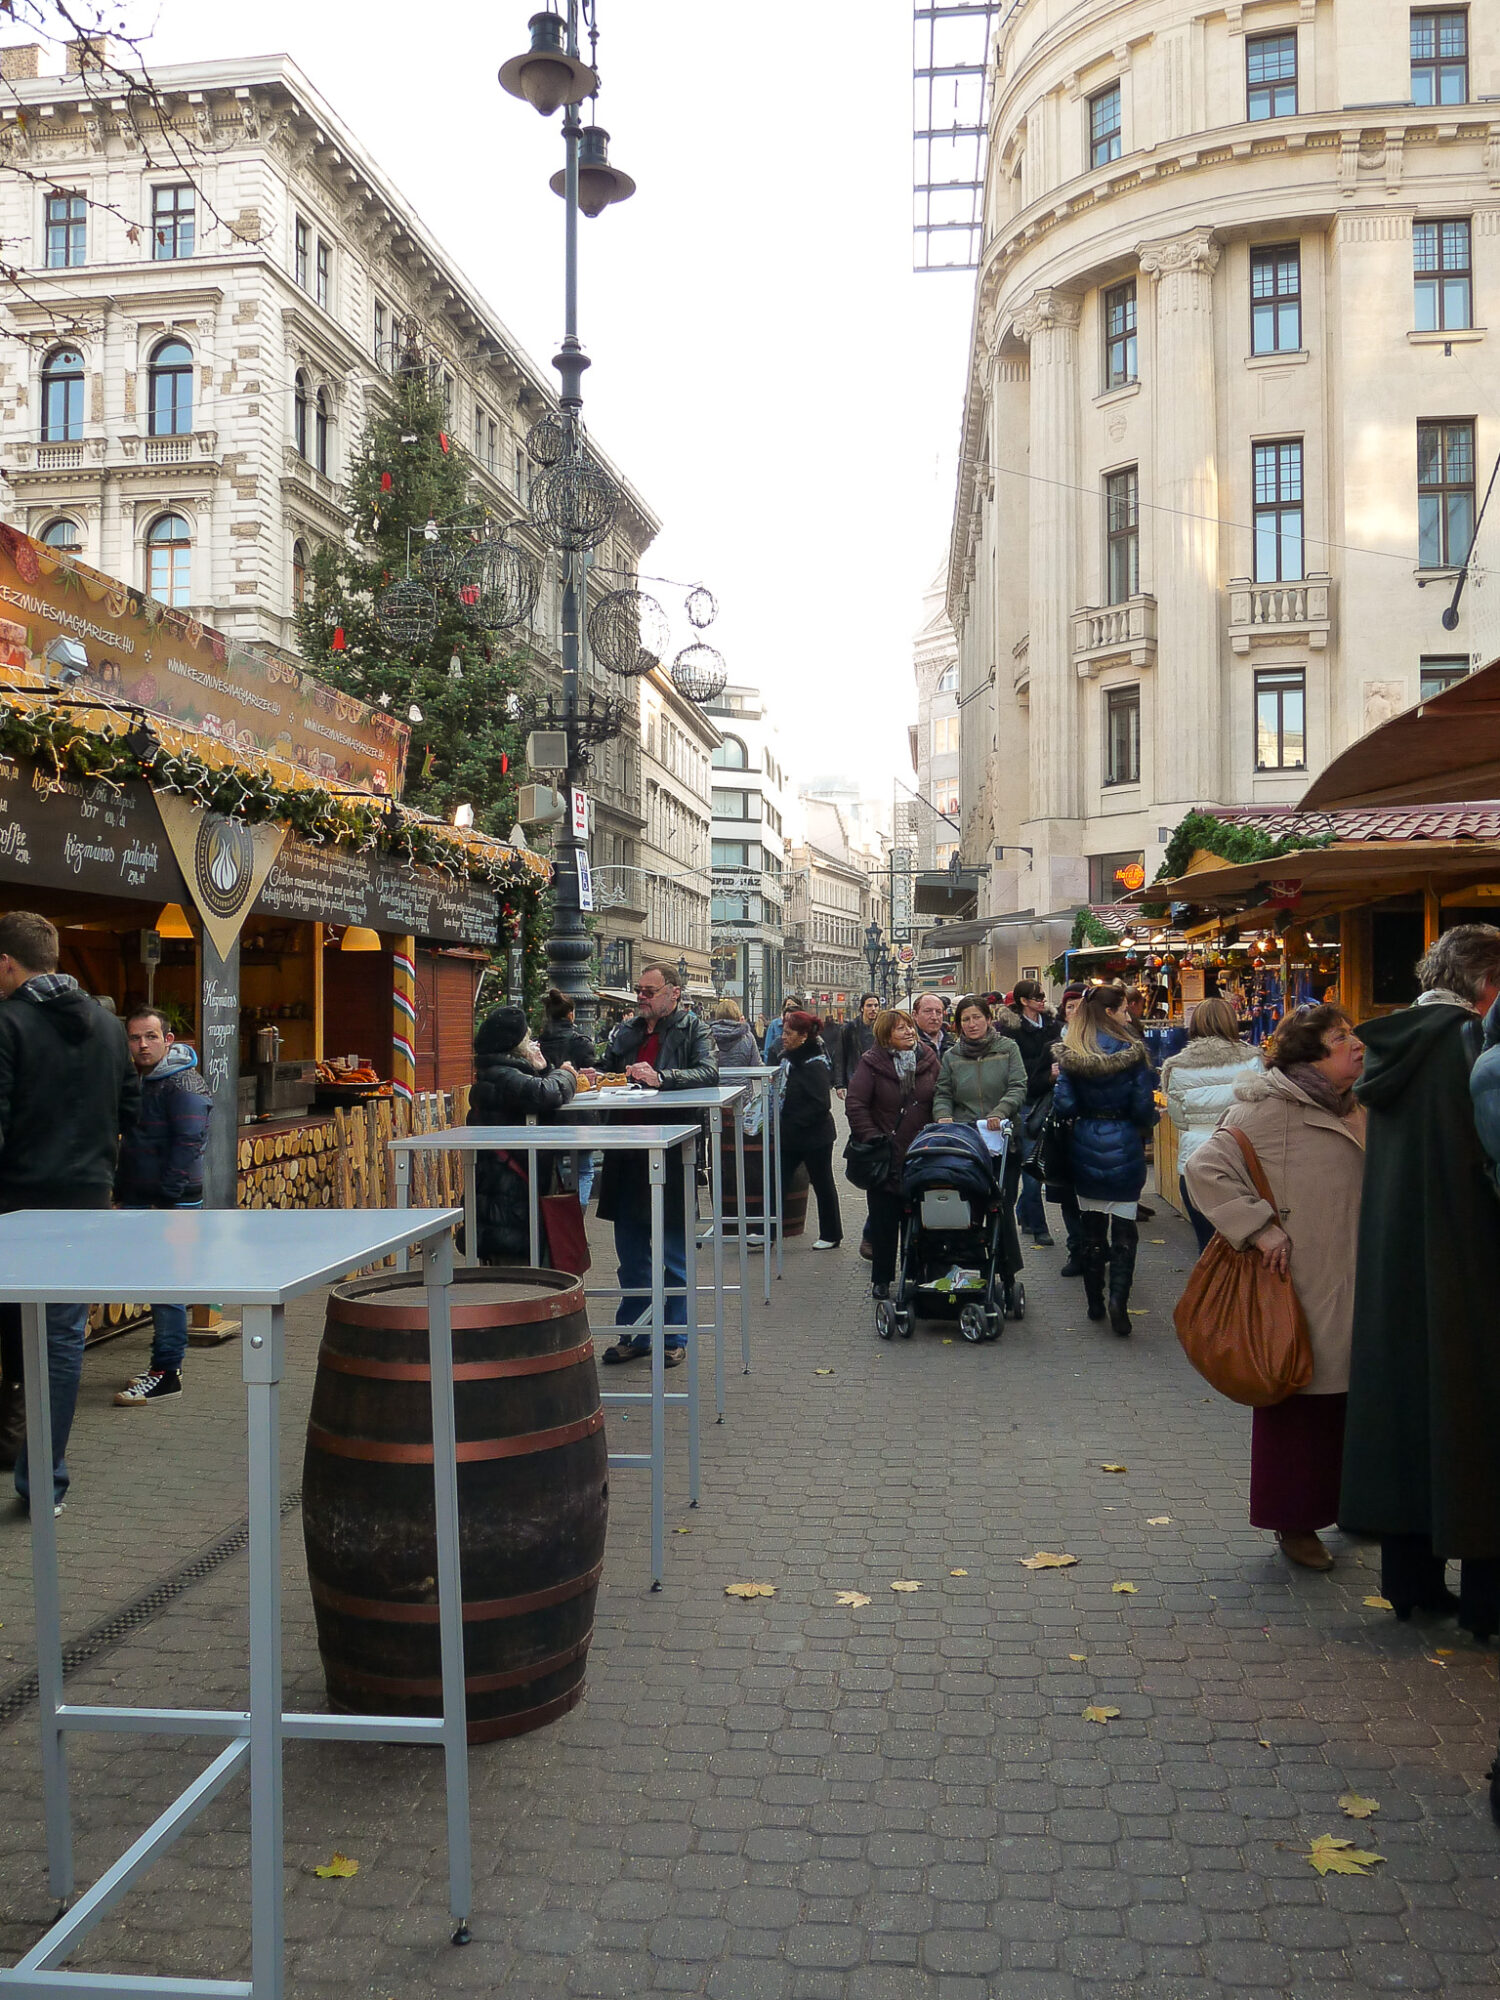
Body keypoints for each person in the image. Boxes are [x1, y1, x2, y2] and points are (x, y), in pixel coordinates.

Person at [1341, 925, 1500, 1639]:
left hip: (1395, 1259)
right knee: (1475, 1421)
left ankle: (1410, 1584)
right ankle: (1488, 1602)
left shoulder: (1397, 1042)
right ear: (1487, 983)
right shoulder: (1469, 1043)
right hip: (1469, 1259)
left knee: (1407, 1415)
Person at [1185, 1005, 1367, 1571]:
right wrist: (1259, 1228)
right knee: (1298, 1405)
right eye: (1340, 1037)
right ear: (1310, 1055)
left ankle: (1352, 1505)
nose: (1356, 1044)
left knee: (1353, 1405)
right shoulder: (1265, 1109)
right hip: (1298, 1285)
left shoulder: (1360, 1106)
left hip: (1363, 1279)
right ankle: (1294, 1522)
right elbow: (1204, 1169)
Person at [0, 911, 139, 1513]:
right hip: (86, 1203)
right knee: (59, 1341)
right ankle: (42, 1481)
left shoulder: (7, 1024)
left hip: (18, 1206)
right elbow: (130, 1110)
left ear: (7, 963)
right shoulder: (110, 1026)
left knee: (24, 1336)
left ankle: (25, 1452)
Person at [597, 962, 717, 1366]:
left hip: (671, 1150)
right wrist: (595, 1074)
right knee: (631, 1255)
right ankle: (635, 1334)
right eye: (639, 990)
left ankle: (674, 1336)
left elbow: (709, 1072)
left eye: (649, 991)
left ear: (673, 993)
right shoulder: (626, 1031)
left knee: (672, 1253)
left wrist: (662, 1077)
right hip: (625, 1150)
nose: (641, 997)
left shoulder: (693, 1029)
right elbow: (608, 1069)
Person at [112, 1006, 213, 1407]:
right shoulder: (144, 1079)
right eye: (135, 1038)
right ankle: (164, 1367)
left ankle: (166, 1374)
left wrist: (165, 1198)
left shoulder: (182, 1082)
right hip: (145, 1198)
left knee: (167, 1285)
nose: (142, 1045)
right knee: (158, 1283)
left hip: (173, 1202)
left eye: (151, 1036)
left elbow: (190, 1141)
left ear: (168, 1040)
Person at [1053, 982, 1157, 1336]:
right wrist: (1143, 1124)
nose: (1128, 1016)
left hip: (1084, 1143)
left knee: (1092, 1229)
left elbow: (1064, 1105)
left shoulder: (1073, 1052)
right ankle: (1118, 1301)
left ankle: (1094, 1301)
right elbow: (1143, 1106)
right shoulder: (1133, 1053)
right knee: (1125, 1228)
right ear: (1110, 1012)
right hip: (1125, 1143)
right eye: (1125, 1010)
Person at [468, 1005, 579, 1263]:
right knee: (516, 1267)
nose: (534, 1044)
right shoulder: (501, 1075)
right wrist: (565, 1073)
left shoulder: (499, 1073)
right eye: (528, 1040)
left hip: (508, 1187)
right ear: (515, 1046)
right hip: (508, 1192)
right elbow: (545, 1093)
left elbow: (535, 1092)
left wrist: (543, 1069)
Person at [846, 1008, 939, 1301]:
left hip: (922, 1153)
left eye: (910, 1026)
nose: (909, 1032)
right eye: (901, 1028)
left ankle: (917, 1276)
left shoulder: (929, 1059)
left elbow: (942, 1095)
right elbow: (856, 1103)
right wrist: (873, 1137)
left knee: (920, 1221)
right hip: (885, 1157)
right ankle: (882, 1279)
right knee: (884, 1223)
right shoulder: (871, 1063)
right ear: (886, 1036)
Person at [1161, 997, 1264, 1253]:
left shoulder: (1176, 1067)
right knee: (1246, 1246)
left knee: (1207, 1248)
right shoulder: (1253, 1061)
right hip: (1241, 1160)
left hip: (1195, 1161)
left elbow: (1179, 1120)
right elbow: (1263, 1112)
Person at [997, 979, 1060, 1247]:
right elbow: (1014, 1071)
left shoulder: (1054, 1025)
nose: (1043, 1000)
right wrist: (1046, 1074)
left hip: (1052, 1100)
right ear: (1024, 1001)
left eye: (1043, 996)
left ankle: (1025, 1213)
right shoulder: (1010, 1032)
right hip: (1026, 1102)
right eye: (1038, 997)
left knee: (1047, 1162)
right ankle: (1039, 1226)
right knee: (1032, 1166)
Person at [775, 1010, 842, 1249]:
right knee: (777, 1180)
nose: (783, 1037)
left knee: (822, 1183)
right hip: (792, 1135)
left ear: (803, 1036)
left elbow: (821, 1103)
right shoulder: (789, 1060)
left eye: (788, 1033)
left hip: (815, 1136)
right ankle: (767, 1230)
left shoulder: (815, 1064)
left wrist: (794, 1121)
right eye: (783, 1032)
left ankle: (831, 1234)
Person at [538, 987, 599, 1205]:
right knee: (584, 1169)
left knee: (557, 1169)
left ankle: (561, 1217)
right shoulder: (581, 1042)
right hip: (580, 1117)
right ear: (571, 1014)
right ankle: (578, 1214)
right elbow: (591, 1076)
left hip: (550, 1116)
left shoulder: (538, 1045)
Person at [934, 994, 1027, 1132]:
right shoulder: (951, 1056)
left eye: (977, 1017)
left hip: (1003, 1129)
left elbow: (1018, 1087)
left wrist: (1000, 1112)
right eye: (966, 1019)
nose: (972, 1024)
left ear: (988, 1019)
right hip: (964, 1131)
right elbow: (943, 1093)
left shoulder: (1008, 1048)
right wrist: (943, 1115)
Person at [1049, 986, 1087, 1275]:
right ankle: (1077, 1249)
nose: (1074, 1011)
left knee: (1094, 1197)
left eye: (1080, 1006)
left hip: (1093, 1131)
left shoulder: (1105, 1044)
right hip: (1062, 1131)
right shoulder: (1053, 1044)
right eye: (1070, 1006)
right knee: (1067, 1196)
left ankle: (1095, 1246)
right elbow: (1033, 1082)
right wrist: (1051, 1078)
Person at [834, 992, 879, 1100]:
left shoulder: (882, 1028)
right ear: (862, 1008)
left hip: (878, 1080)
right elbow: (840, 1056)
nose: (873, 1009)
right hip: (856, 1078)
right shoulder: (849, 1028)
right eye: (869, 1005)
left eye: (876, 1005)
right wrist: (839, 1084)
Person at [708, 996, 760, 1071]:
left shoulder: (708, 1036)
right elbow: (756, 1065)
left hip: (716, 1078)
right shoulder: (747, 1036)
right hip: (742, 1078)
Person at [912, 991, 954, 1063]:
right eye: (928, 1011)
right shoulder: (910, 1046)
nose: (934, 1017)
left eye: (938, 1012)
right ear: (915, 1015)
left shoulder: (953, 1044)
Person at [763, 997, 805, 1065]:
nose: (791, 1007)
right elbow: (768, 1049)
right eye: (788, 1005)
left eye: (794, 1005)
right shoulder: (774, 1025)